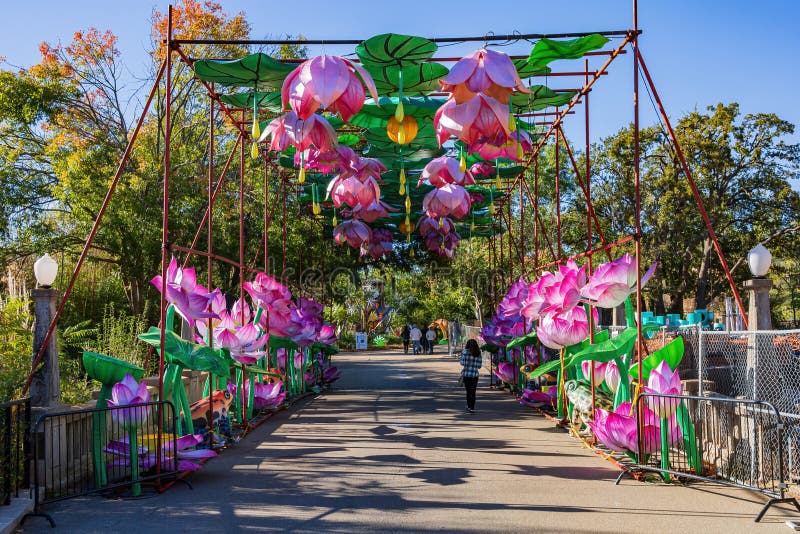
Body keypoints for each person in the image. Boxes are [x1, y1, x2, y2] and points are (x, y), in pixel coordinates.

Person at [459, 339, 482, 413]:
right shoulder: (478, 353)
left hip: (466, 375)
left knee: (468, 391)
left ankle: (469, 406)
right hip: (474, 375)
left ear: (467, 344)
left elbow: (462, 363)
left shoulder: (464, 352)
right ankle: (472, 407)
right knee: (473, 392)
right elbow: (479, 366)